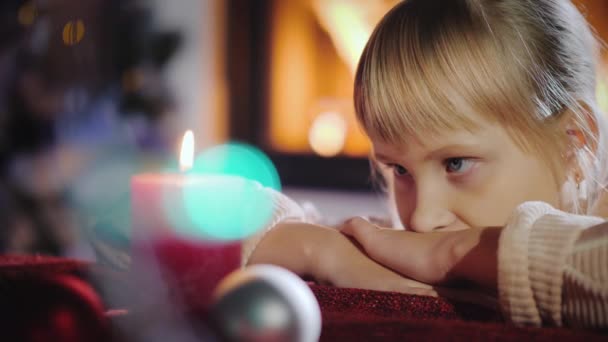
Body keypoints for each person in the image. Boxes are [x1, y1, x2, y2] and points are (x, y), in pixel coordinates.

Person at [243, 0, 608, 329]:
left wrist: (459, 251)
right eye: (400, 170)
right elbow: (200, 215)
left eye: (456, 163)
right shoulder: (403, 248)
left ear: (571, 144)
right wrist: (320, 249)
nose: (419, 218)